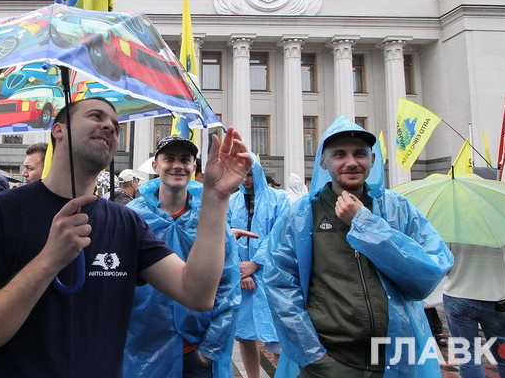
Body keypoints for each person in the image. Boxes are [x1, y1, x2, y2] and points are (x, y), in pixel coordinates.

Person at [0, 98, 252, 378]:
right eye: (96, 116)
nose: (109, 126)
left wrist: (216, 197)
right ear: (58, 130)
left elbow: (197, 294)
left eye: (115, 125)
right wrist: (48, 260)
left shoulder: (127, 222)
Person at [264, 115, 453, 378]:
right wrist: (315, 357)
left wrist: (366, 225)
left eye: (360, 153)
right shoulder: (302, 215)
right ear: (323, 161)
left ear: (372, 159)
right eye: (339, 154)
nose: (351, 162)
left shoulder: (397, 208)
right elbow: (280, 285)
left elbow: (427, 276)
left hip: (396, 360)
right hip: (330, 363)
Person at [124, 135, 240, 378]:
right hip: (142, 353)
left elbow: (229, 288)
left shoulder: (211, 217)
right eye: (169, 158)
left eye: (185, 159)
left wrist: (208, 352)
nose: (178, 165)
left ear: (193, 167)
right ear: (155, 166)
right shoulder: (132, 217)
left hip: (196, 353)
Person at [227, 156, 289, 378]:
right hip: (242, 276)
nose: (245, 180)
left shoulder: (279, 199)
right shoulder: (232, 201)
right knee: (245, 334)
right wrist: (241, 270)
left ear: (259, 173)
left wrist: (256, 263)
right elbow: (226, 235)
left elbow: (280, 234)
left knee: (278, 337)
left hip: (272, 276)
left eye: (250, 174)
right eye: (242, 175)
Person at [443, 241, 505, 377]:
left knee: (468, 356)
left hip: (459, 295)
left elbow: (443, 266)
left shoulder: (453, 231)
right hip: (497, 297)